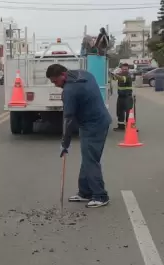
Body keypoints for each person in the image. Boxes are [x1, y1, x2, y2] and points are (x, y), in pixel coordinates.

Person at [46, 64, 111, 208]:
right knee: (88, 157)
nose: (56, 85)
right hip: (97, 120)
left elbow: (68, 120)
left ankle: (100, 195)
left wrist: (65, 143)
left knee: (91, 160)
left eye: (55, 81)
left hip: (94, 125)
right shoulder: (84, 74)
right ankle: (85, 192)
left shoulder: (70, 91)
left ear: (63, 75)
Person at [111, 63, 133, 131]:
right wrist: (111, 74)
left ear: (128, 69)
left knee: (129, 113)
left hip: (127, 97)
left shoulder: (129, 76)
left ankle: (130, 127)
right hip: (120, 96)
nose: (124, 70)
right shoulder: (120, 74)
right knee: (120, 112)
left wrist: (114, 73)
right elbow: (113, 78)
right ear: (121, 69)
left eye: (125, 69)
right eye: (123, 69)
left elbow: (121, 79)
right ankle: (121, 126)